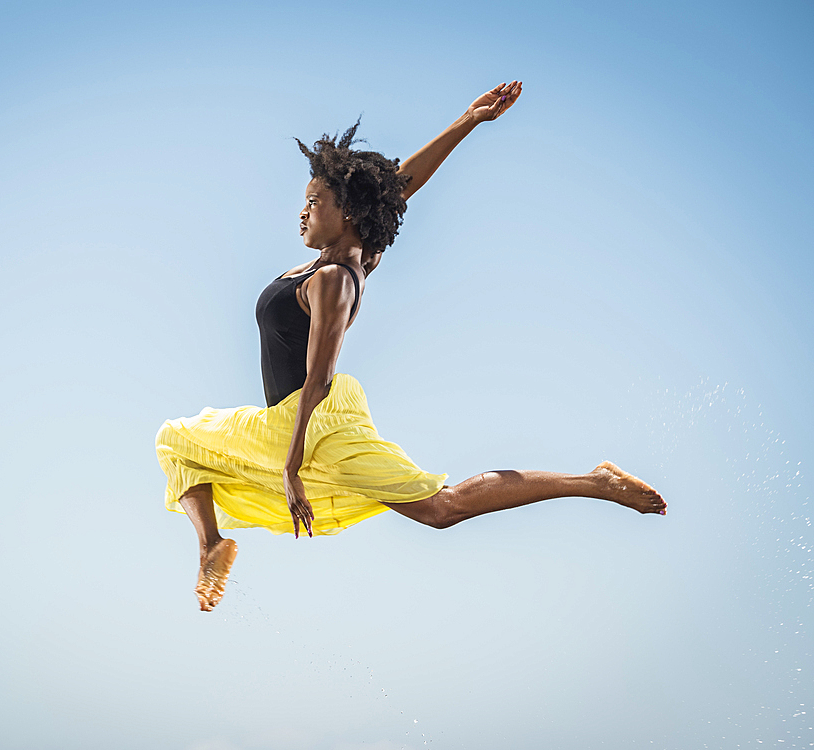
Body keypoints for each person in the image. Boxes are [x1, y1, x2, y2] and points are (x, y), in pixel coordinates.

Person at [156, 81, 667, 612]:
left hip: (312, 427)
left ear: (346, 211)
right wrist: (467, 122)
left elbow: (319, 376)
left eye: (314, 202)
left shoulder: (335, 277)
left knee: (441, 509)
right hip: (290, 424)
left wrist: (291, 465)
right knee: (175, 441)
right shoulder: (349, 253)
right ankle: (212, 544)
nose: (302, 212)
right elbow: (394, 190)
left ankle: (595, 481)